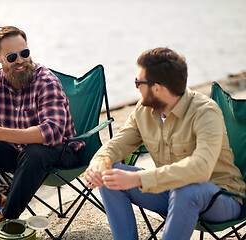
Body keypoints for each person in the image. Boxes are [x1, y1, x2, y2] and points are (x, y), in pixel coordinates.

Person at [83, 47, 246, 240]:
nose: (136, 87)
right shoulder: (143, 111)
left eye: (138, 82)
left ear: (157, 88)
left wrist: (137, 179)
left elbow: (200, 168)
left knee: (186, 188)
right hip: (170, 192)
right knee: (110, 177)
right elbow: (118, 144)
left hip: (220, 198)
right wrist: (99, 163)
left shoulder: (205, 112)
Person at [0, 26, 84, 240]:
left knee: (35, 151)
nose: (20, 60)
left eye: (25, 53)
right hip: (19, 154)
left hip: (62, 153)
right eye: (12, 56)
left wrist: (1, 133)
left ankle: (5, 223)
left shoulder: (46, 81)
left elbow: (53, 132)